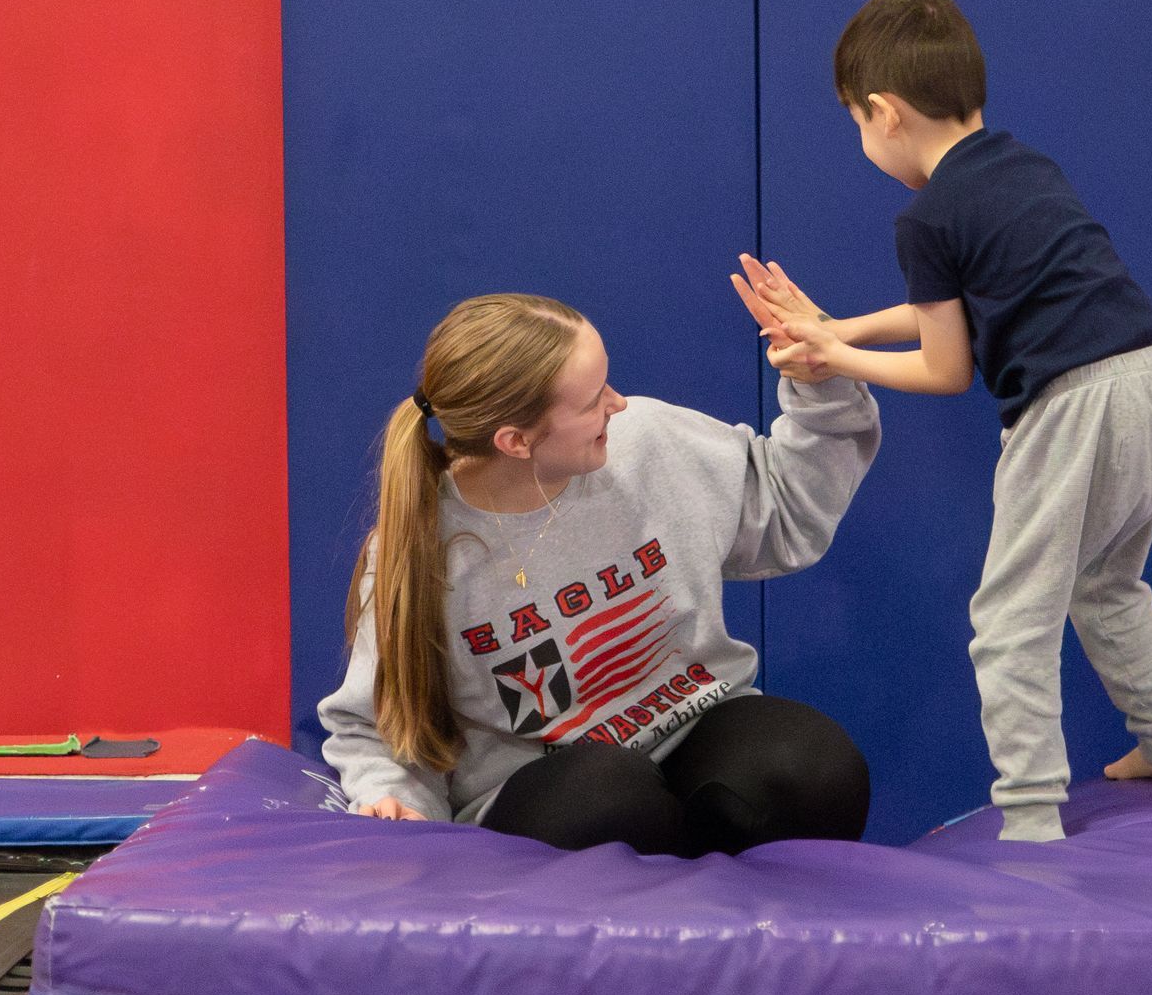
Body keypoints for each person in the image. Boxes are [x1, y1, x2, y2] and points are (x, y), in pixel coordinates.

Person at [736, 0, 1152, 843]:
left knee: (1008, 619)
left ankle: (1029, 814)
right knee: (1105, 584)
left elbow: (948, 366)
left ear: (883, 113)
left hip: (1075, 405)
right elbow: (949, 309)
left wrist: (833, 358)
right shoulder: (1020, 166)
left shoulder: (926, 217)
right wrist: (837, 327)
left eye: (853, 124)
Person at [319, 293, 879, 857]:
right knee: (608, 799)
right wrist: (395, 797)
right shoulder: (421, 551)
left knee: (812, 770)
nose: (617, 404)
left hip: (694, 732)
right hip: (560, 795)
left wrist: (821, 385)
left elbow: (784, 509)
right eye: (592, 401)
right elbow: (378, 726)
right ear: (515, 442)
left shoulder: (646, 442)